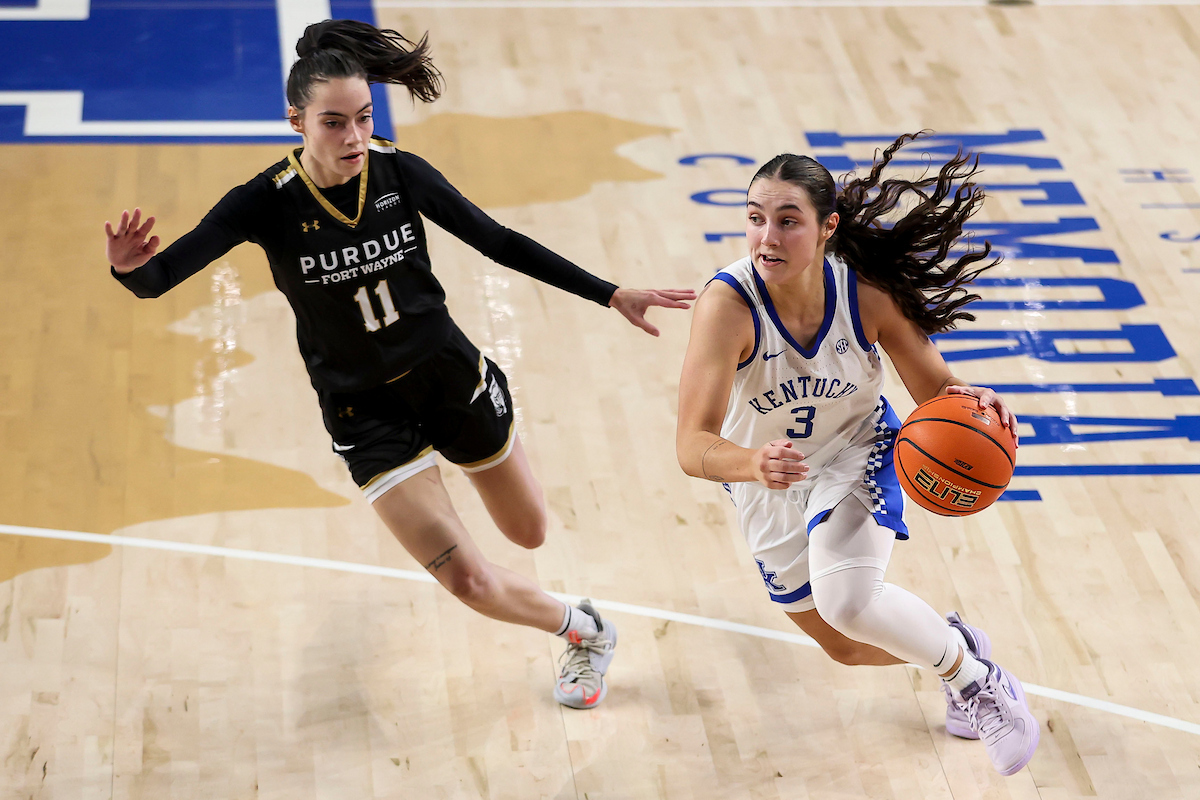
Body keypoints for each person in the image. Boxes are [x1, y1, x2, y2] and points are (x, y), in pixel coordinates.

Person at [104, 19, 695, 709]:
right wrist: (128, 271)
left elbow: (498, 241)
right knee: (469, 581)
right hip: (364, 412)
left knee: (527, 532)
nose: (353, 137)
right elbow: (159, 278)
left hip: (450, 378)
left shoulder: (399, 171)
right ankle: (584, 631)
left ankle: (493, 467)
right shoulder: (262, 203)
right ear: (295, 120)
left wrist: (610, 292)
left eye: (363, 118)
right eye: (333, 123)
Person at [675, 133, 1039, 775]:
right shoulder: (727, 308)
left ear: (827, 228)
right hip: (768, 481)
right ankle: (957, 649)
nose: (767, 237)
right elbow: (692, 445)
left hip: (858, 451)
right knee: (843, 644)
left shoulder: (865, 294)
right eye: (756, 218)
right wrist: (751, 464)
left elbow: (935, 394)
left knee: (848, 600)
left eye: (788, 221)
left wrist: (972, 402)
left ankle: (981, 684)